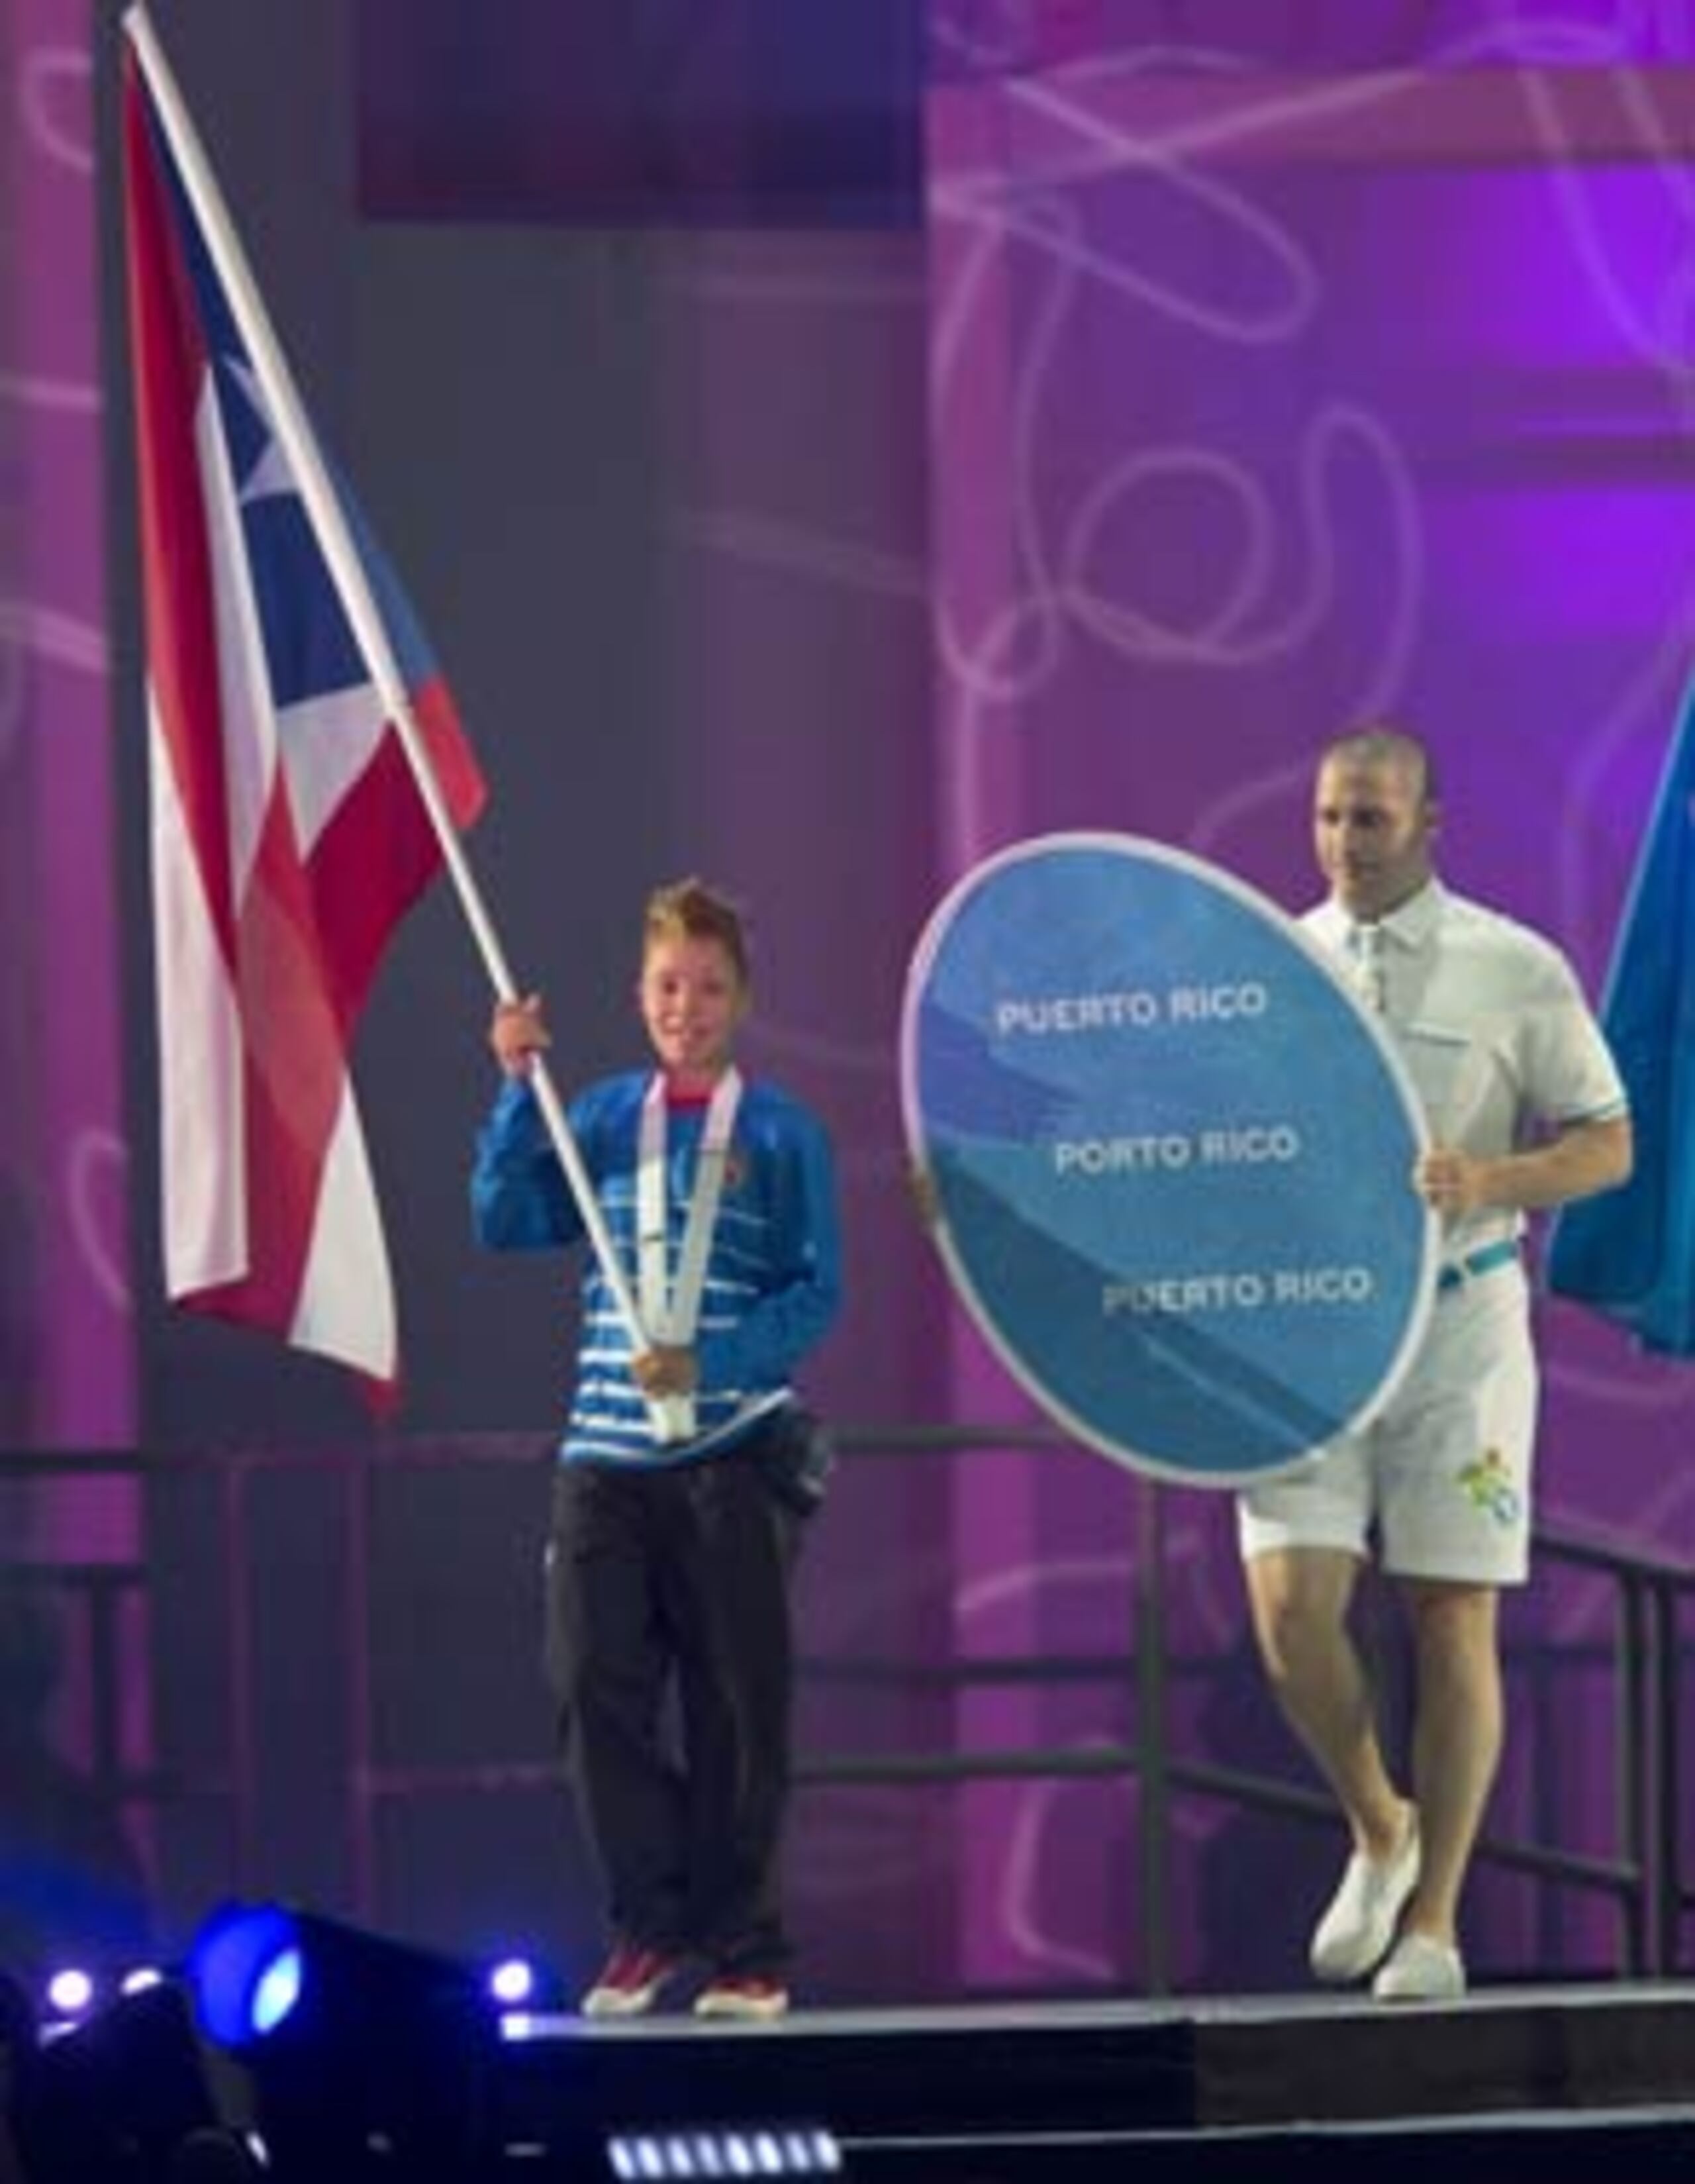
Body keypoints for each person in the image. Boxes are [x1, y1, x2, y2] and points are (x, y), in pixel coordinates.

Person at [1236, 727, 1631, 2003]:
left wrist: (1493, 1180)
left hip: (1461, 1324)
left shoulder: (1512, 967)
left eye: (1372, 819)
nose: (1346, 843)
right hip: (1309, 1330)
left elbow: (1608, 1141)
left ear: (1430, 824)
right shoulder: (1274, 965)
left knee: (1452, 1614)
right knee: (1292, 1609)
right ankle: (1379, 1824)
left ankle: (1437, 1923)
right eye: (1329, 817)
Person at [471, 877, 843, 2022]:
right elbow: (503, 1218)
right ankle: (647, 1928)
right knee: (596, 1691)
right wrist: (515, 1090)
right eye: (669, 985)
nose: (688, 1004)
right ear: (640, 997)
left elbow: (816, 1290)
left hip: (729, 1455)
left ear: (744, 999)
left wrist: (717, 1357)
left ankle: (744, 1947)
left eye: (711, 986)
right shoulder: (596, 1119)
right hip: (604, 1462)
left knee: (738, 1705)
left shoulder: (780, 1132)